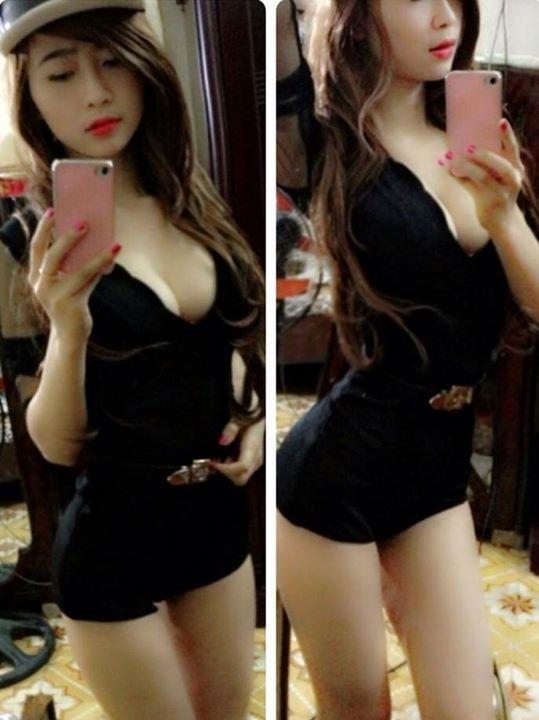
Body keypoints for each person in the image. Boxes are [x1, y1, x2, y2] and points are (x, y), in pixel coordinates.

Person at [0, 1, 265, 718]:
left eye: (112, 60)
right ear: (32, 95)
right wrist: (69, 327)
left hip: (214, 520)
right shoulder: (28, 240)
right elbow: (54, 446)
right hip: (112, 543)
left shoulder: (190, 198)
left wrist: (250, 418)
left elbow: (226, 343)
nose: (95, 92)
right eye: (61, 72)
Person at [277, 1, 539, 719]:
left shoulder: (478, 142)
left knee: (468, 709)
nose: (444, 16)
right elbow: (283, 66)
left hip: (435, 477)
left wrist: (503, 214)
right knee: (359, 709)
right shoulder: (326, 143)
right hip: (334, 480)